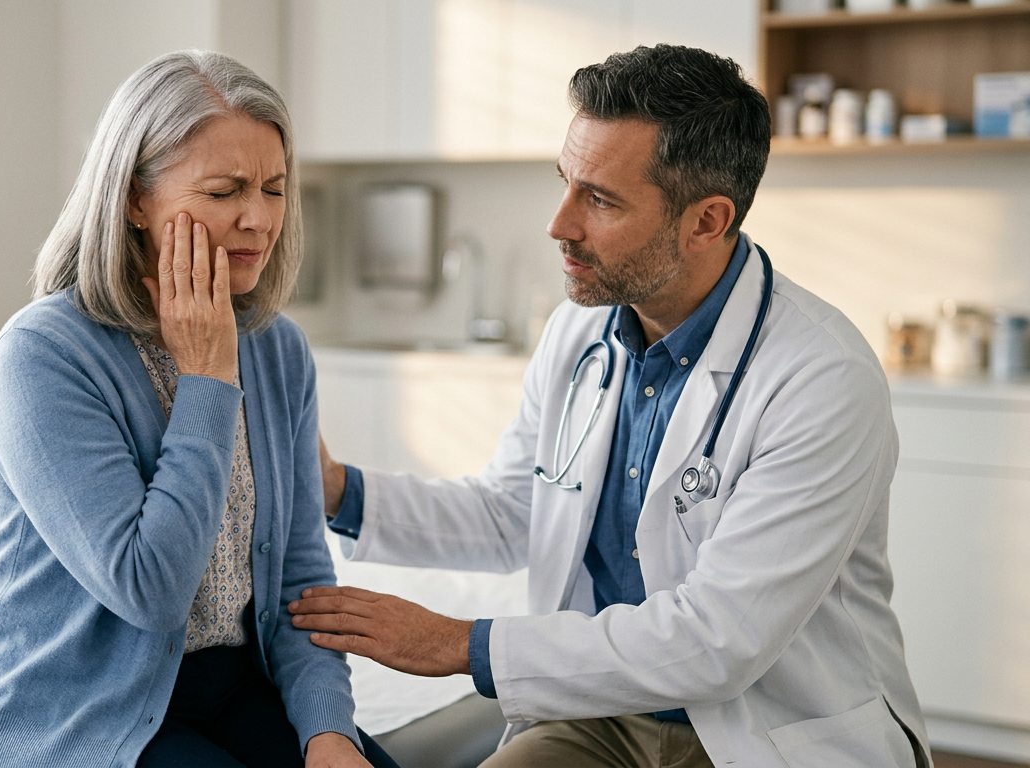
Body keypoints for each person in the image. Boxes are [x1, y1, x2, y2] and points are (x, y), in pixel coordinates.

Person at [289, 45, 931, 768]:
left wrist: (454, 643)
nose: (559, 224)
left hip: (769, 727)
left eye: (599, 199)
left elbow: (718, 642)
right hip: (604, 714)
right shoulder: (580, 331)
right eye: (566, 184)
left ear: (706, 221)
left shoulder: (820, 377)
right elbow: (517, 513)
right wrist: (336, 488)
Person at [0, 51, 395, 768]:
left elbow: (303, 584)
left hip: (230, 689)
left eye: (275, 189)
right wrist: (208, 379)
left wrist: (329, 732)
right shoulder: (43, 354)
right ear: (133, 199)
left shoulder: (278, 349)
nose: (258, 219)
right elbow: (149, 591)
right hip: (72, 713)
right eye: (225, 192)